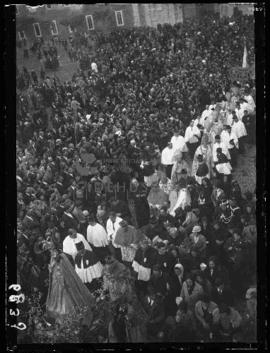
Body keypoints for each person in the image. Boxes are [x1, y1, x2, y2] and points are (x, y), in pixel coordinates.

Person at [46, 250, 94, 325]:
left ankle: (77, 315)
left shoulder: (60, 262)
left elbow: (59, 275)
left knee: (70, 299)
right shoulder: (57, 261)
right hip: (59, 285)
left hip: (64, 284)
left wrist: (60, 280)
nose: (53, 255)